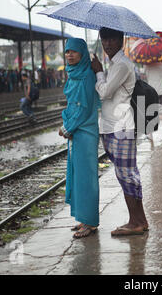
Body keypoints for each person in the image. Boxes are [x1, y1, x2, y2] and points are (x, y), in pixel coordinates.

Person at [91, 27, 149, 236]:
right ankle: (140, 220)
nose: (107, 44)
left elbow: (105, 92)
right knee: (125, 175)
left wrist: (98, 71)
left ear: (121, 40)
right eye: (104, 39)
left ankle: (136, 222)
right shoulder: (115, 64)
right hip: (112, 126)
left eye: (112, 39)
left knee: (127, 175)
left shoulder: (122, 64)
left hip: (121, 127)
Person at [59, 38, 101, 239]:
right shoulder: (73, 74)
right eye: (67, 51)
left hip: (85, 131)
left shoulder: (86, 76)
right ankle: (84, 218)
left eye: (74, 51)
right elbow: (71, 105)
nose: (69, 55)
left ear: (83, 53)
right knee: (77, 176)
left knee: (86, 178)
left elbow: (83, 108)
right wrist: (67, 125)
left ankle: (91, 222)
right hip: (76, 131)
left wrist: (67, 127)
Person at [144, 62, 162, 137]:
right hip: (161, 89)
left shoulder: (145, 64)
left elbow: (146, 76)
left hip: (151, 90)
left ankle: (150, 134)